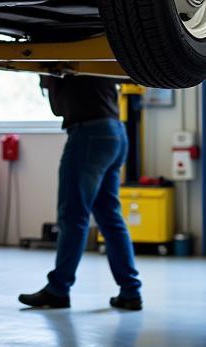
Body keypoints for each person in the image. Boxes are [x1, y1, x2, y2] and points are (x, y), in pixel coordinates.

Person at [18, 75, 142, 311]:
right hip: (115, 132)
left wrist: (45, 78)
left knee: (73, 215)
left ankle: (58, 290)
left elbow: (58, 109)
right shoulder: (89, 55)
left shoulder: (62, 62)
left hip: (89, 135)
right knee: (109, 216)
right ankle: (130, 291)